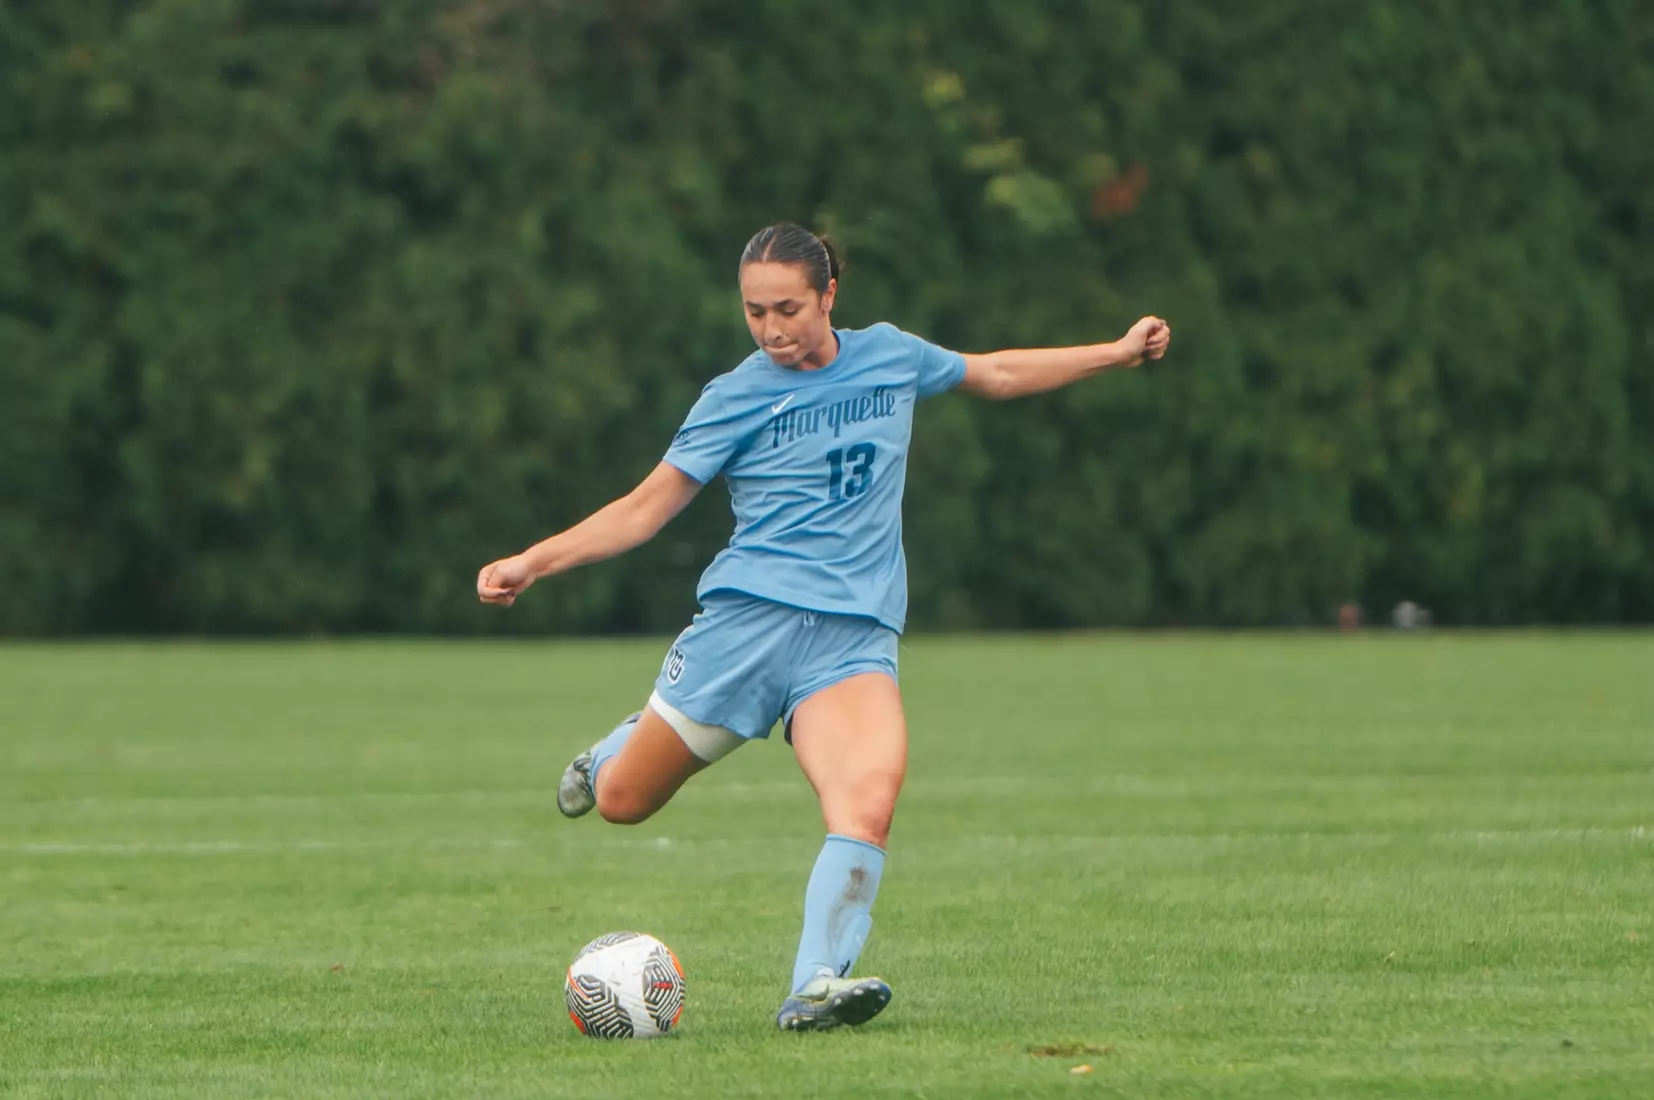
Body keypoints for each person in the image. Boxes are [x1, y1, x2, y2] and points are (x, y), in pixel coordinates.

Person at [476, 223, 1171, 1032]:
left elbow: (999, 373)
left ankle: (815, 983)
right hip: (745, 631)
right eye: (754, 312)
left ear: (829, 295)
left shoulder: (891, 355)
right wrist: (534, 560)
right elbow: (643, 510)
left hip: (852, 641)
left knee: (866, 803)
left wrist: (1115, 353)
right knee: (625, 801)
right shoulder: (735, 395)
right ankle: (609, 754)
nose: (772, 329)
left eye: (789, 309)